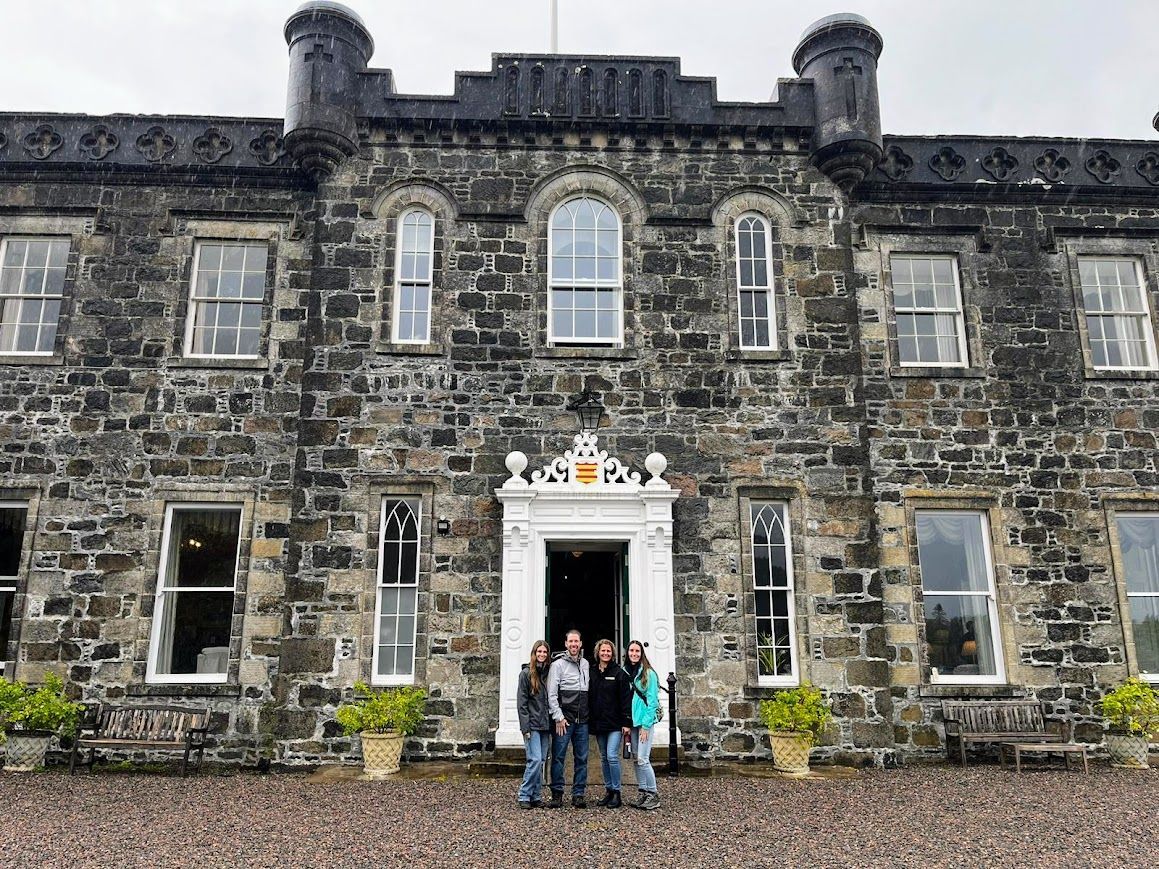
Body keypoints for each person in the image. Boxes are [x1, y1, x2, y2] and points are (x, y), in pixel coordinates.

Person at [546, 628, 590, 808]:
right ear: (565, 644)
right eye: (570, 641)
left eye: (576, 641)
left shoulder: (586, 663)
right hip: (565, 720)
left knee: (582, 758)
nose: (573, 644)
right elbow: (551, 693)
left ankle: (578, 794)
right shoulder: (557, 665)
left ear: (580, 644)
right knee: (558, 757)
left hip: (583, 720)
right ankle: (557, 793)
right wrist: (558, 717)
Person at [587, 638, 632, 809]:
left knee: (612, 756)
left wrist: (626, 722)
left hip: (615, 723)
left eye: (608, 651)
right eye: (603, 650)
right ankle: (609, 790)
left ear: (612, 653)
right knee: (604, 758)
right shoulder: (591, 671)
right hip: (599, 723)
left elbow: (625, 700)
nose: (605, 653)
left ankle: (617, 792)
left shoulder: (619, 673)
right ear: (598, 652)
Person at [624, 639, 661, 811]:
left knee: (643, 759)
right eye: (631, 651)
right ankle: (643, 791)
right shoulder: (625, 672)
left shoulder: (649, 674)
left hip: (644, 723)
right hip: (632, 722)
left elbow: (653, 701)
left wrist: (646, 726)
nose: (634, 654)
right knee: (636, 759)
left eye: (637, 651)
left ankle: (653, 794)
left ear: (641, 654)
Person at [515, 639, 552, 809]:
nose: (542, 655)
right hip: (532, 725)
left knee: (542, 760)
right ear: (534, 654)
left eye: (545, 652)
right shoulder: (526, 674)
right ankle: (524, 794)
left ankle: (536, 795)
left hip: (545, 724)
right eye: (539, 652)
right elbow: (521, 703)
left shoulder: (549, 673)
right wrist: (525, 728)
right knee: (535, 760)